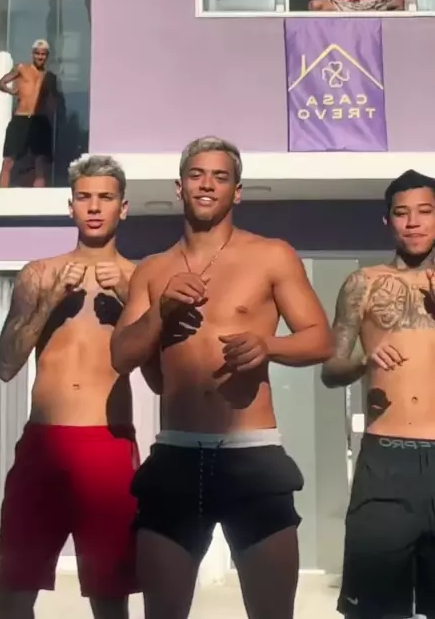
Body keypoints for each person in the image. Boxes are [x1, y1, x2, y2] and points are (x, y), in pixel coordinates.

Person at [111, 136, 333, 619]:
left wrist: (268, 345)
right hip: (176, 453)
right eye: (196, 175)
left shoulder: (272, 255)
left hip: (252, 455)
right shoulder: (153, 270)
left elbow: (321, 339)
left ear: (237, 191)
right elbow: (121, 356)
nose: (207, 184)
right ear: (179, 187)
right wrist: (160, 313)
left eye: (220, 176)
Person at [0, 154, 139, 619]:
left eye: (105, 198)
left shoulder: (142, 280)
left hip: (108, 442)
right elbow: (4, 365)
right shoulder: (39, 273)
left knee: (109, 597)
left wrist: (131, 301)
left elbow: (163, 371)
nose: (94, 207)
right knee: (13, 590)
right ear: (70, 206)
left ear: (123, 207)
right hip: (43, 444)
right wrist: (51, 300)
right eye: (84, 197)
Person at [321, 168, 435, 619]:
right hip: (387, 460)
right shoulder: (362, 283)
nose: (414, 222)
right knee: (373, 609)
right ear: (387, 221)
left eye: (425, 211)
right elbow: (331, 369)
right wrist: (365, 362)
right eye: (402, 213)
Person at [0, 39, 58, 188]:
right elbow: (0, 83)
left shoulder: (49, 76)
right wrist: (12, 91)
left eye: (43, 54)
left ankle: (38, 199)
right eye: (37, 53)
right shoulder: (22, 68)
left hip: (40, 119)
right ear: (33, 54)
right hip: (21, 118)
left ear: (47, 56)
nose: (40, 57)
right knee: (8, 161)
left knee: (40, 164)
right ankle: (0, 197)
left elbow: (53, 98)